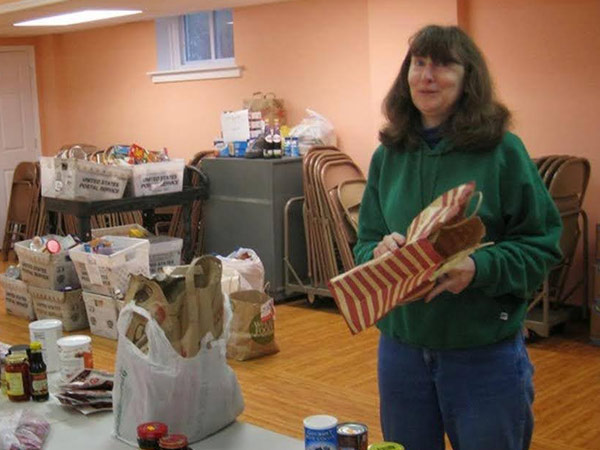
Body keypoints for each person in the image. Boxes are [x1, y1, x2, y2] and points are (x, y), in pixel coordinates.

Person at [354, 25, 562, 450]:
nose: (427, 76)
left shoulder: (503, 152)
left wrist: (479, 267)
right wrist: (378, 252)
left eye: (443, 64)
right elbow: (364, 243)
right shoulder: (387, 156)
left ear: (469, 78)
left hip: (483, 353)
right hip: (401, 353)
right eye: (418, 63)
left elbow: (542, 245)